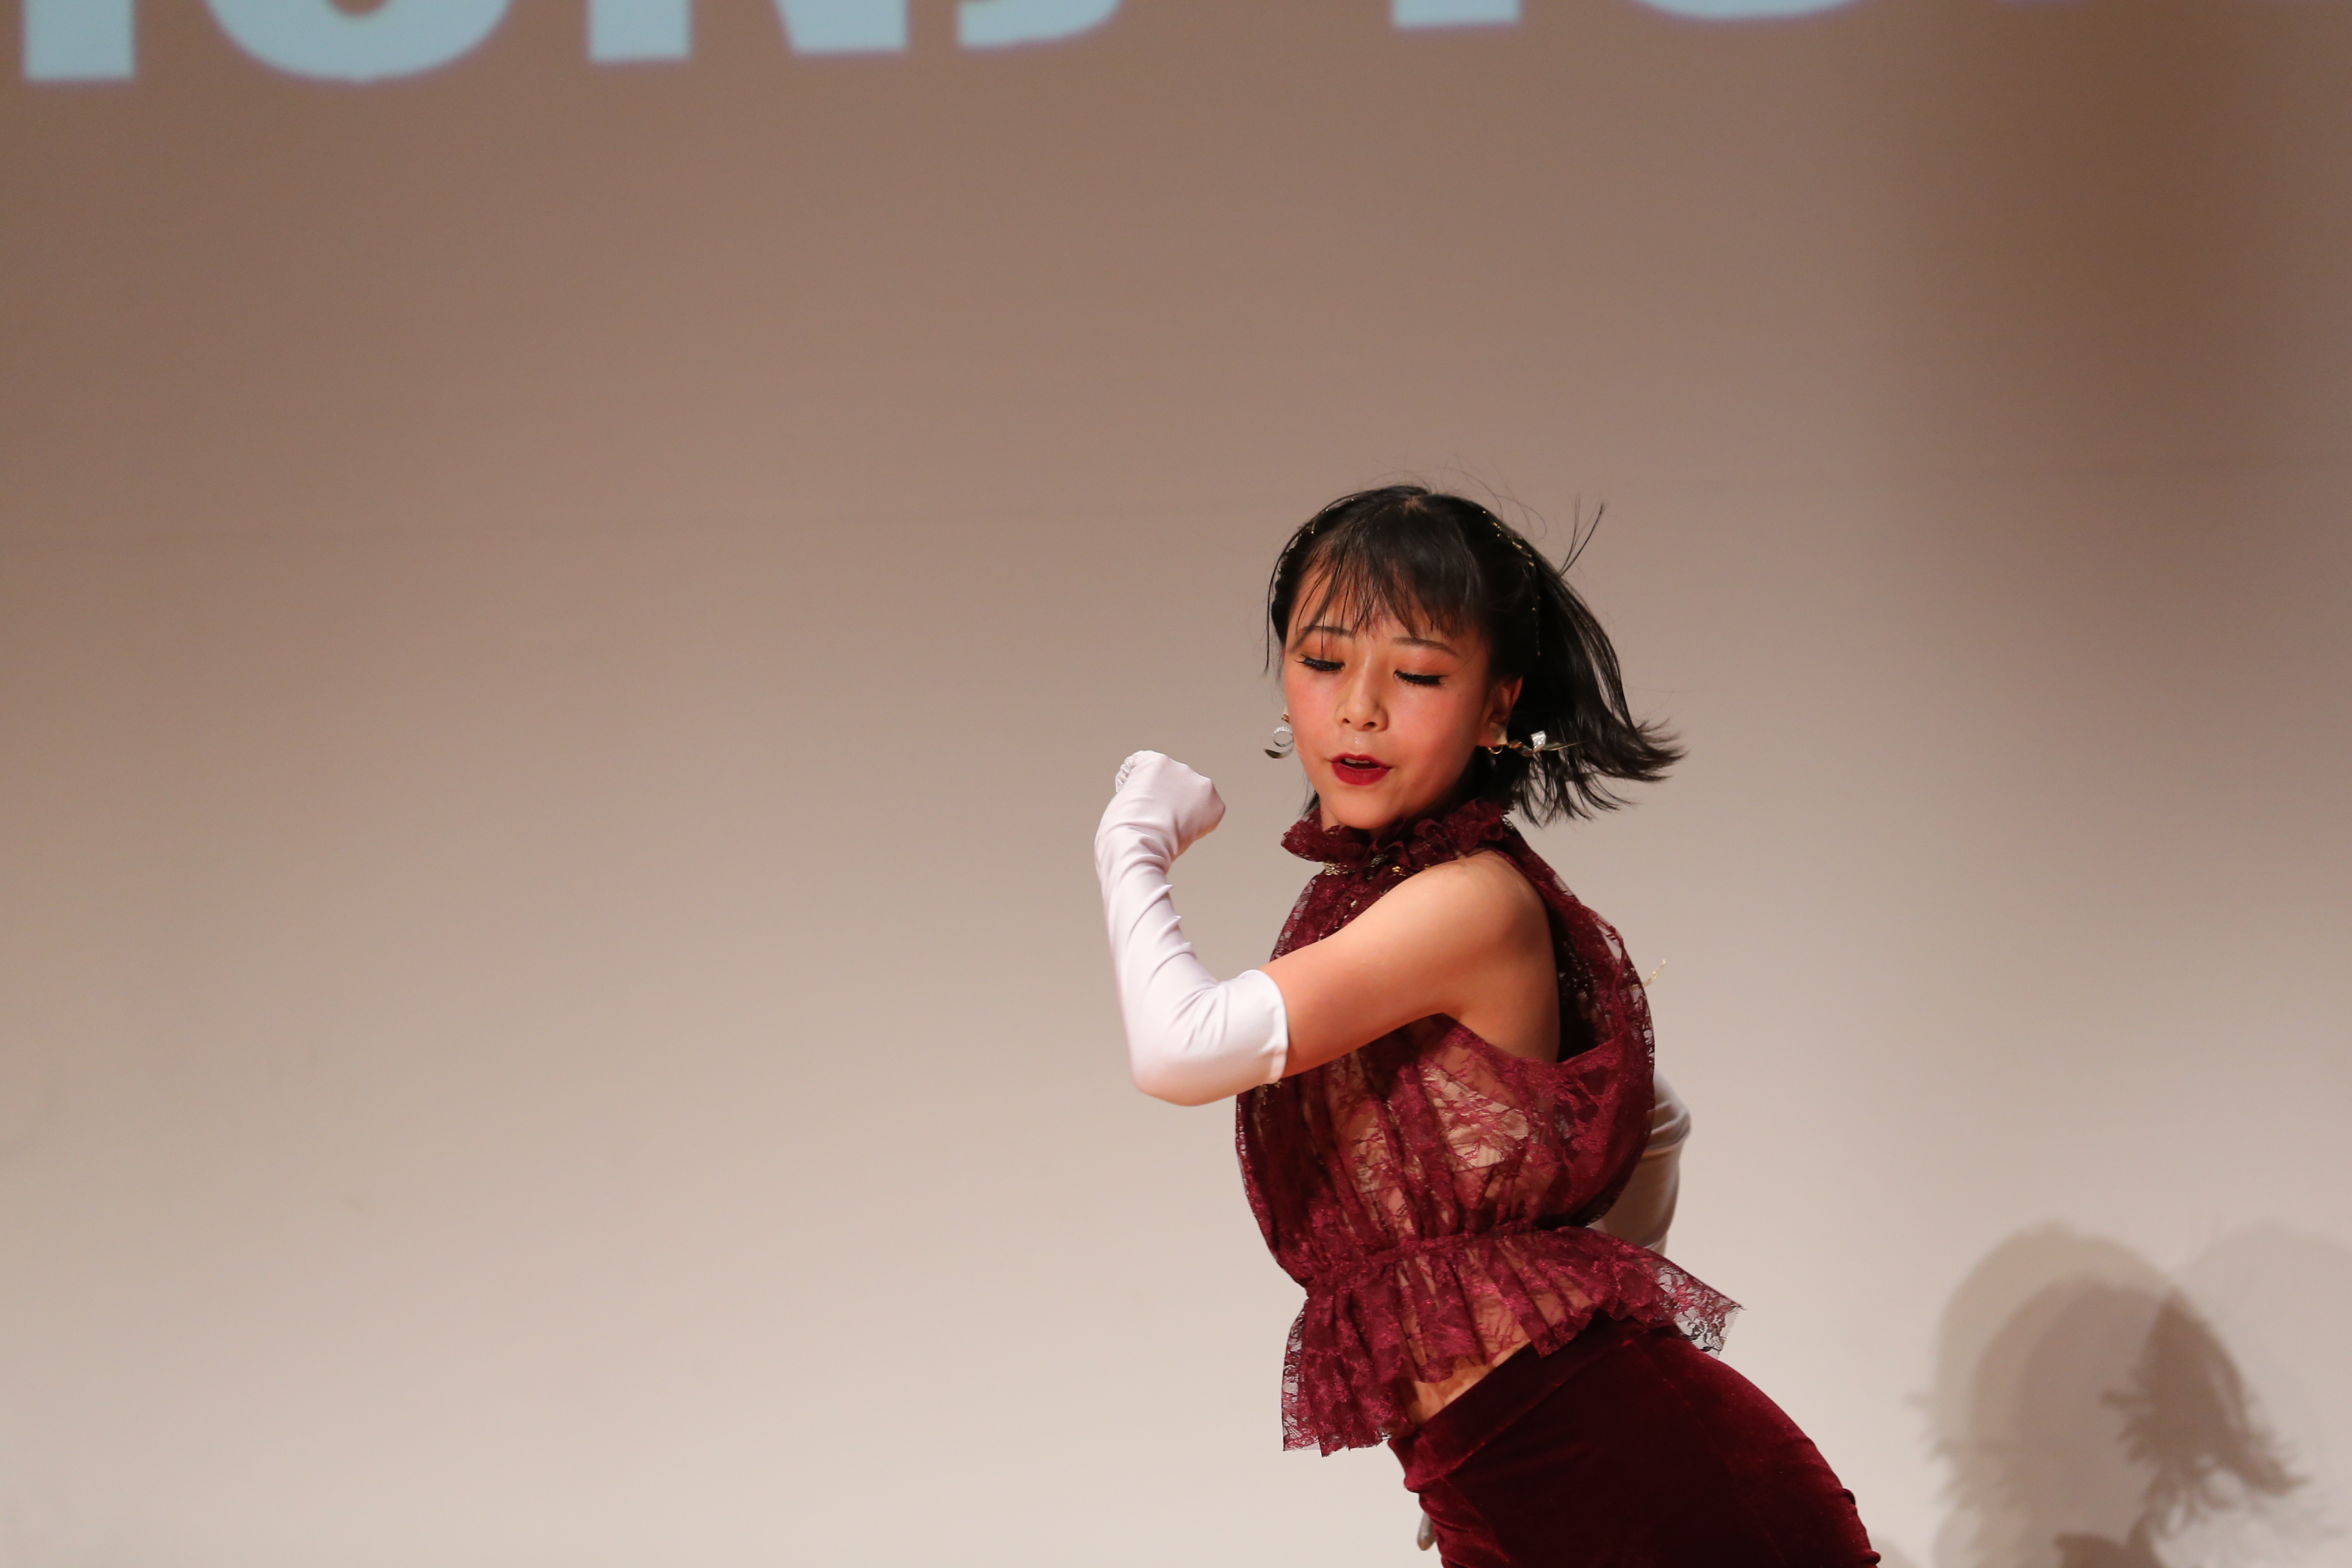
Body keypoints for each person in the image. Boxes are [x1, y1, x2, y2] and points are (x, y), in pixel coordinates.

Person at [1092, 487, 1878, 1566]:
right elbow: (1655, 1116)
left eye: (1417, 676)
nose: (1360, 708)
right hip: (1517, 1480)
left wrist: (1132, 842)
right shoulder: (1389, 896)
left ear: (1498, 707)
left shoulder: (1466, 899)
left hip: (1635, 1484)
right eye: (1322, 661)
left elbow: (1180, 1049)